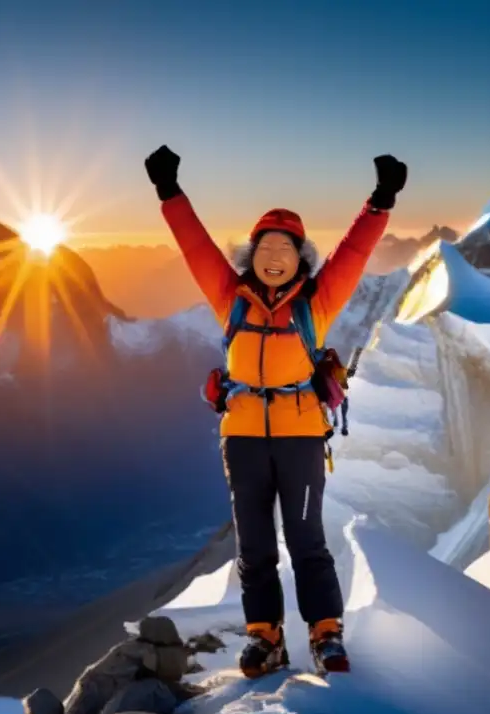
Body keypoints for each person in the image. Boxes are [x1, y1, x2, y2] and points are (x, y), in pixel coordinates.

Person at [144, 145, 407, 677]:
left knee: (308, 540)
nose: (273, 254)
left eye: (285, 246)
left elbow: (353, 255)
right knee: (255, 544)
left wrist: (380, 202)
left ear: (300, 258)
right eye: (265, 244)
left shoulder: (317, 303)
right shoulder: (231, 299)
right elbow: (195, 248)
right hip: (242, 438)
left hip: (301, 436)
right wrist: (169, 193)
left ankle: (325, 632)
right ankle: (266, 639)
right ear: (252, 254)